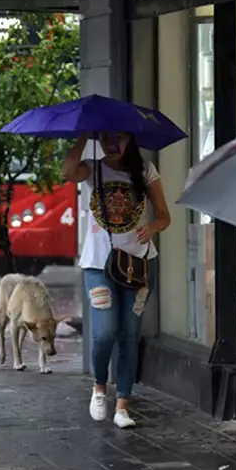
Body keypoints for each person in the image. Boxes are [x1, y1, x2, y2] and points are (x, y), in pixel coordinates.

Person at [62, 131, 171, 429]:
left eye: (118, 138)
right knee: (104, 332)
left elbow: (165, 216)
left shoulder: (145, 170)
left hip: (139, 265)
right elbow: (67, 172)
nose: (111, 144)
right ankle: (99, 385)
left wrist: (152, 227)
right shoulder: (92, 168)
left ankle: (123, 404)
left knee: (128, 334)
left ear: (130, 140)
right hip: (99, 264)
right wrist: (84, 135)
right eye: (105, 138)